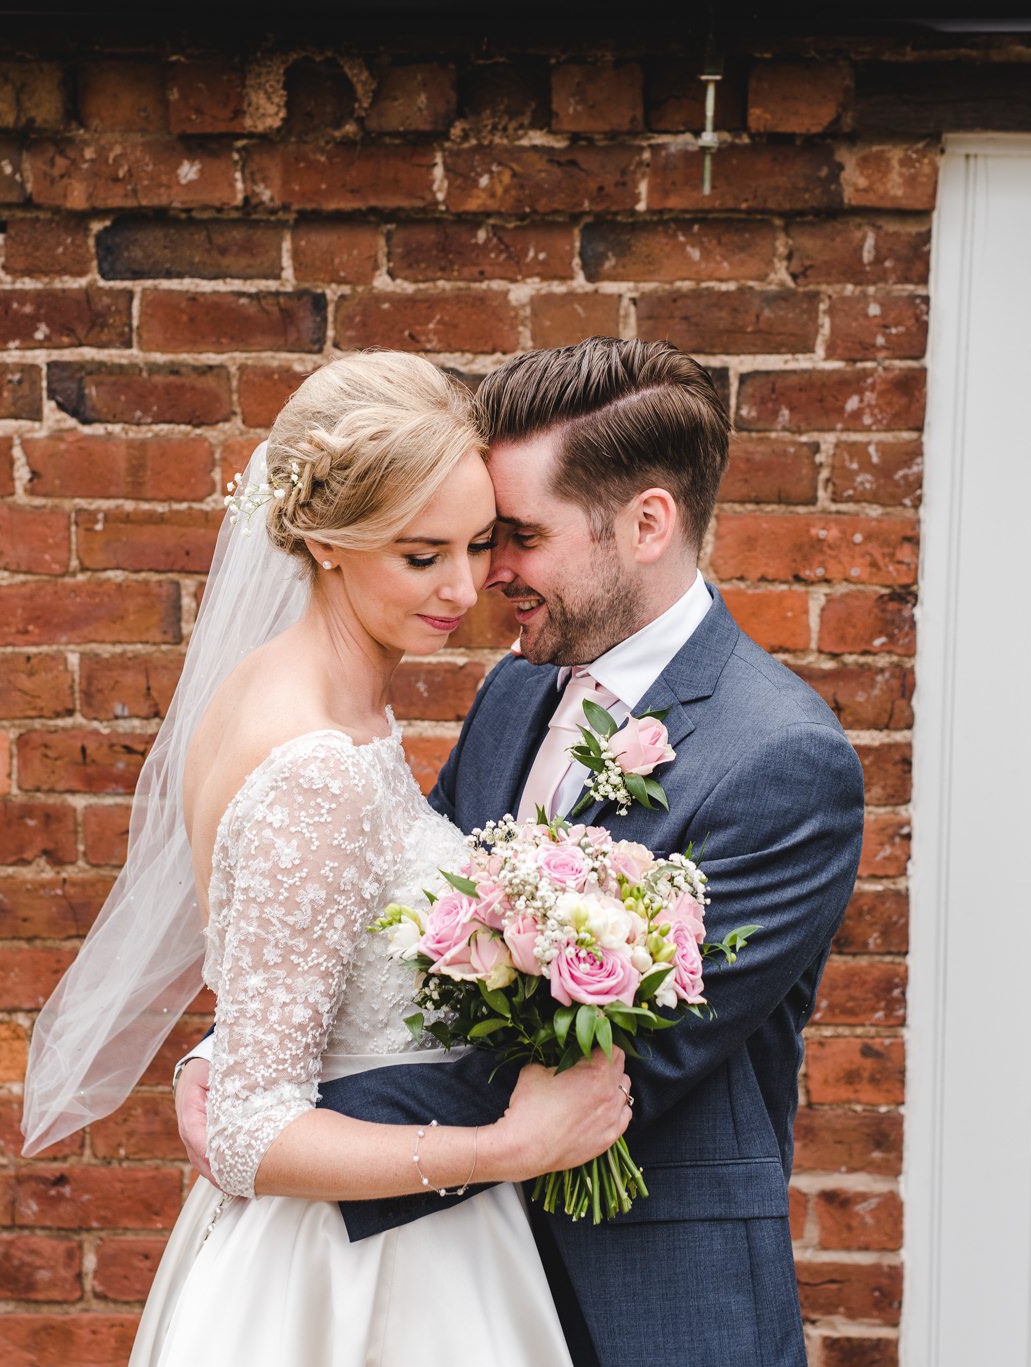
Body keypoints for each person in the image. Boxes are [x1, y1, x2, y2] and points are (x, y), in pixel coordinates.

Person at [174, 337, 868, 1367]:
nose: (486, 573)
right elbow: (403, 933)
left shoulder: (779, 760)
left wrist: (264, 1114)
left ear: (644, 524)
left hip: (653, 1301)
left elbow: (620, 1062)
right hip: (450, 1279)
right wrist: (240, 1061)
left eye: (516, 536)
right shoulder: (513, 687)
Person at [18, 351, 631, 1367]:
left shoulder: (303, 695)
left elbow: (285, 987)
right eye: (419, 553)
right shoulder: (314, 766)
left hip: (390, 1235)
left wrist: (217, 1049)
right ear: (323, 540)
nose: (463, 585)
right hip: (353, 1282)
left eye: (476, 544)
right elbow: (250, 1131)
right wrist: (507, 1147)